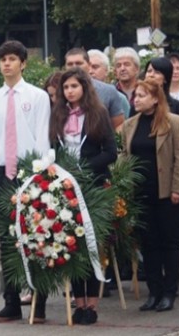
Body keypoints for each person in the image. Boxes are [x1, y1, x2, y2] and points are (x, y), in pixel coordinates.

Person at [0, 40, 51, 323]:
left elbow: (42, 138)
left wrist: (42, 176)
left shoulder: (37, 96)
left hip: (29, 171)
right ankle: (11, 302)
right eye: (3, 60)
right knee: (7, 241)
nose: (7, 64)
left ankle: (40, 300)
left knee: (36, 237)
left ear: (23, 63)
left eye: (12, 59)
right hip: (1, 172)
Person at [49, 68, 117, 325]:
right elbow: (53, 149)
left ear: (84, 88)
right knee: (73, 246)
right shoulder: (58, 116)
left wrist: (84, 170)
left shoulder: (97, 114)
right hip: (66, 187)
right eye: (66, 88)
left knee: (92, 244)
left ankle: (93, 304)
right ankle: (79, 304)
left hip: (93, 185)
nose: (69, 91)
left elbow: (110, 151)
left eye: (74, 86)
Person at [121, 79, 179, 312]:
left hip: (168, 193)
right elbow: (124, 156)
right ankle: (154, 291)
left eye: (141, 95)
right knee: (148, 244)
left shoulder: (175, 122)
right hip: (141, 194)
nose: (136, 99)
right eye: (135, 96)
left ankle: (170, 292)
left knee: (170, 242)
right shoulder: (130, 125)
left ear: (155, 98)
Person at [64, 48, 124, 130]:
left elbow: (118, 125)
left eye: (78, 63)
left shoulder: (108, 91)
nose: (74, 67)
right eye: (70, 64)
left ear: (88, 65)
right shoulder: (59, 91)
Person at [88, 48, 131, 119]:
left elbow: (125, 127)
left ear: (106, 71)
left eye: (95, 67)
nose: (90, 71)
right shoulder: (75, 97)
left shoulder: (118, 98)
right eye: (87, 68)